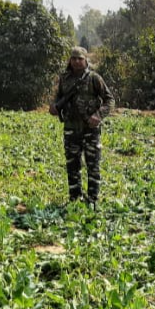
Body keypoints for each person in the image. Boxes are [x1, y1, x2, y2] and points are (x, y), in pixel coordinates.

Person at [50, 46, 113, 206]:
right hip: (71, 129)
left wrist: (98, 115)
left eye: (80, 59)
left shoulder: (94, 78)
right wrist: (54, 107)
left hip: (90, 130)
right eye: (74, 58)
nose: (77, 61)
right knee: (72, 166)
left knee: (93, 166)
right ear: (70, 61)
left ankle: (92, 201)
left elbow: (109, 100)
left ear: (86, 61)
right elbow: (58, 99)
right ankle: (75, 200)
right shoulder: (64, 79)